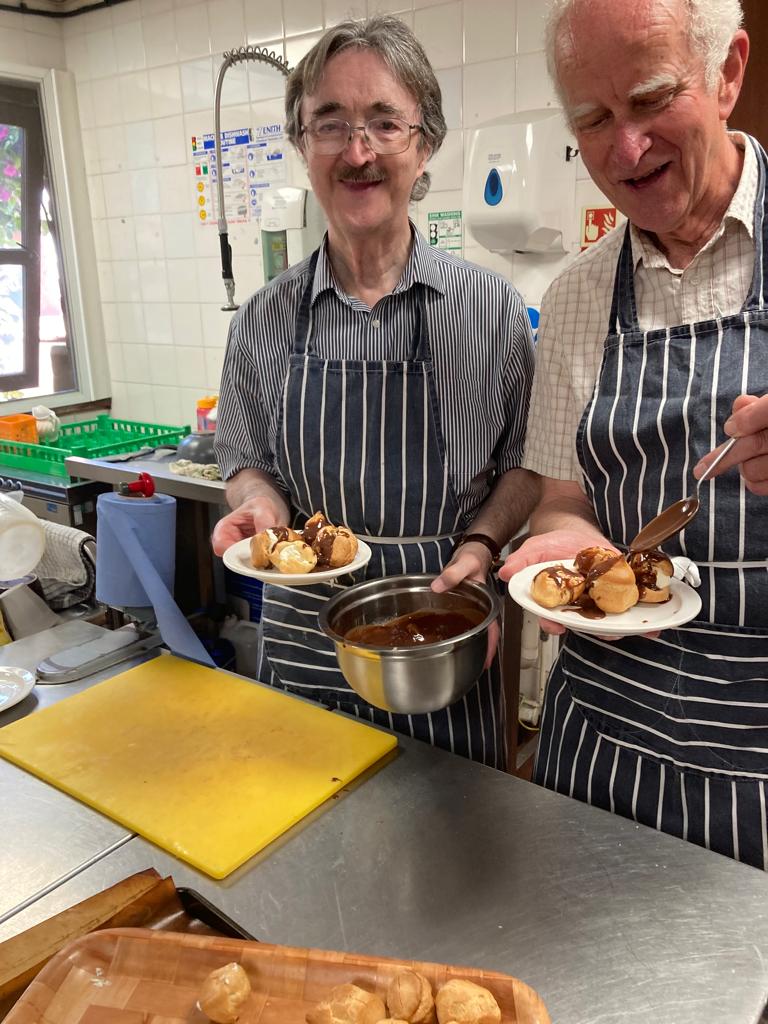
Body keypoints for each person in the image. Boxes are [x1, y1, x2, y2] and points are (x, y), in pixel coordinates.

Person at [212, 15, 538, 770]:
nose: (358, 152)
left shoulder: (489, 311)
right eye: (330, 124)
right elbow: (243, 455)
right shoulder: (261, 319)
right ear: (302, 144)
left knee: (451, 858)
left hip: (443, 636)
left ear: (424, 145)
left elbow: (528, 460)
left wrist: (484, 543)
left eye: (384, 123)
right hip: (304, 644)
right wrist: (258, 504)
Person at [500, 0, 768, 869]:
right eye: (592, 119)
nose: (624, 150)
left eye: (652, 100)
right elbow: (559, 498)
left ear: (727, 73)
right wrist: (564, 547)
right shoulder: (578, 294)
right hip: (602, 743)